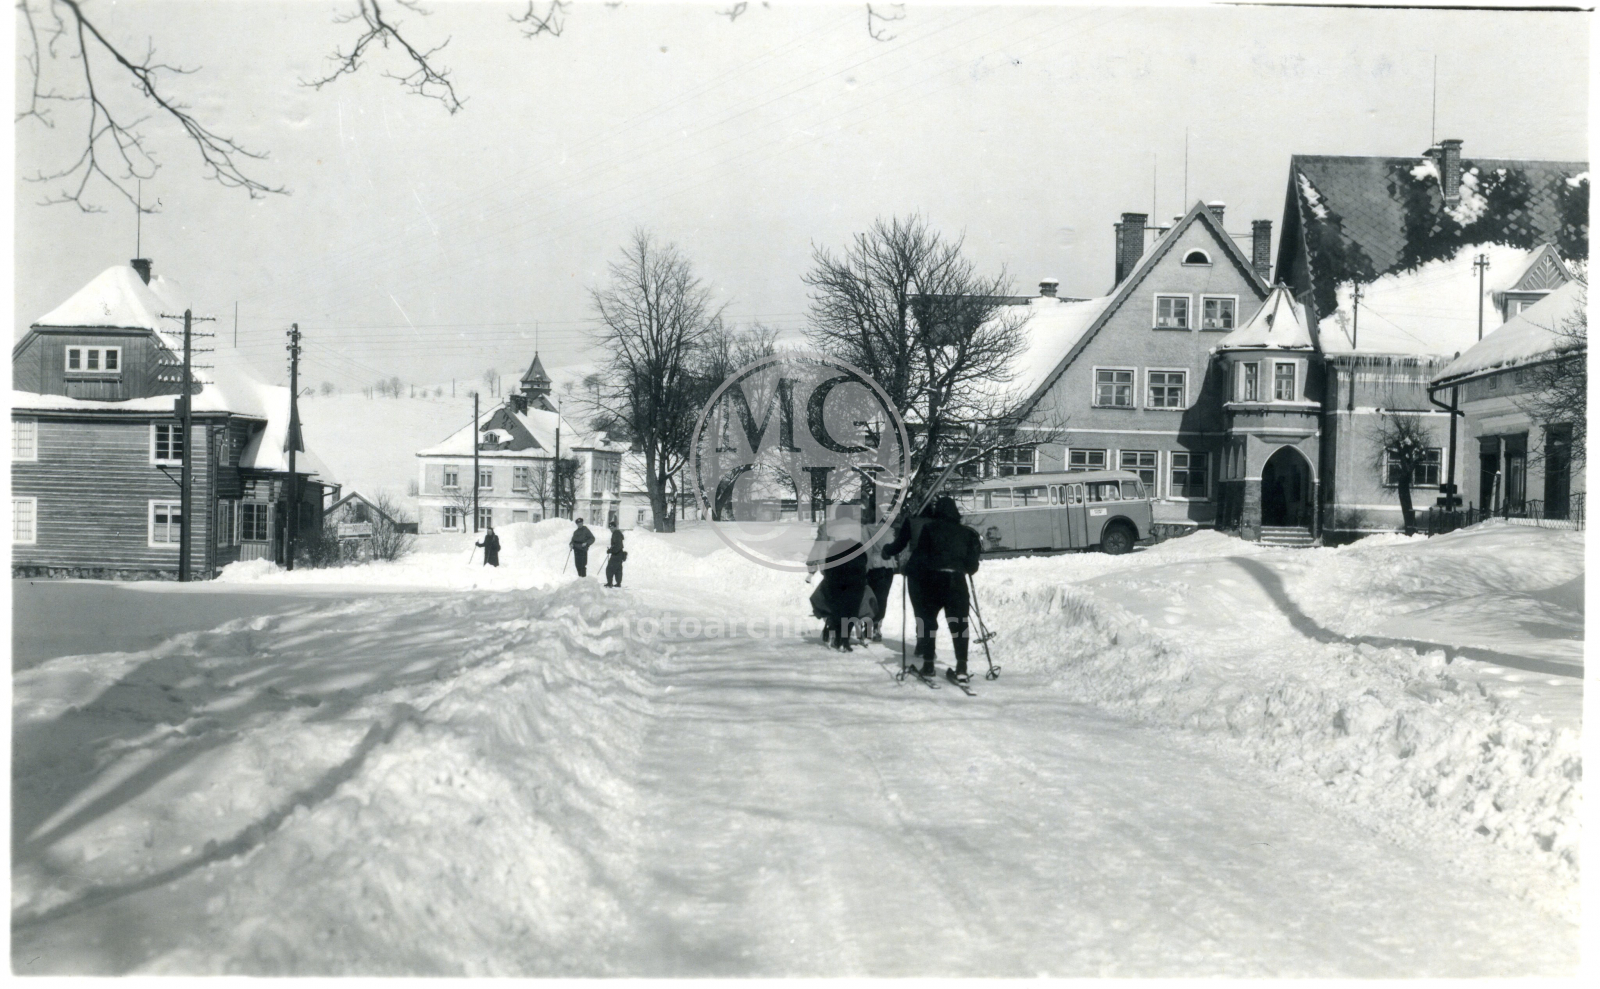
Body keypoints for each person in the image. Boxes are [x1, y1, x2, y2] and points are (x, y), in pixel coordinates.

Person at [890, 496, 980, 682]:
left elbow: (921, 556)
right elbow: (972, 567)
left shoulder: (929, 529)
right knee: (959, 624)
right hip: (957, 583)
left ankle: (929, 665)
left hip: (933, 582)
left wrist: (908, 568)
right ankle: (961, 667)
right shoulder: (968, 533)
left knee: (928, 622)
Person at [807, 520, 871, 651]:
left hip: (834, 574)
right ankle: (844, 638)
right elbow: (867, 554)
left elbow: (819, 548)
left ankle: (834, 630)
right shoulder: (861, 529)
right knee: (854, 606)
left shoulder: (827, 529)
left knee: (834, 604)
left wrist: (813, 569)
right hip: (855, 575)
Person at [862, 522, 897, 642]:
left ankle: (869, 627)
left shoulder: (866, 528)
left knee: (869, 597)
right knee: (882, 598)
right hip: (888, 566)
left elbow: (866, 549)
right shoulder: (890, 529)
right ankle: (876, 627)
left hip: (873, 566)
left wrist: (863, 569)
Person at [603, 522, 626, 587]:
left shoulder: (616, 534)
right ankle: (618, 583)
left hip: (616, 554)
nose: (611, 529)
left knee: (609, 569)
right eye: (610, 528)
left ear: (615, 527)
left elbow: (618, 546)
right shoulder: (617, 533)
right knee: (618, 569)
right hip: (620, 554)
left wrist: (611, 550)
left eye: (612, 528)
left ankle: (609, 583)